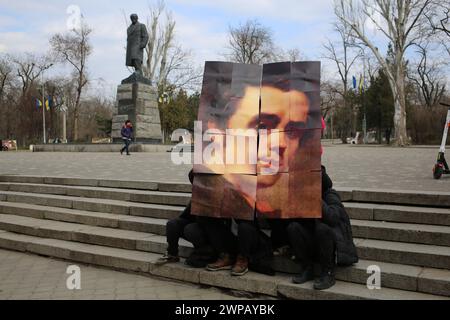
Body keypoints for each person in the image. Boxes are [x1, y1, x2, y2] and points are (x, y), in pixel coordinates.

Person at [286, 166, 358, 290]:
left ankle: (328, 272)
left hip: (333, 244)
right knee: (293, 227)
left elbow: (333, 218)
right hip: (314, 242)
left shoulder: (330, 195)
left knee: (322, 229)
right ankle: (307, 267)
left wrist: (316, 199)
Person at [155, 170, 216, 268]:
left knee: (191, 229)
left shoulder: (216, 194)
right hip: (196, 226)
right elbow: (185, 216)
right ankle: (172, 253)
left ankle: (204, 253)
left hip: (210, 232)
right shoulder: (197, 194)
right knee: (173, 224)